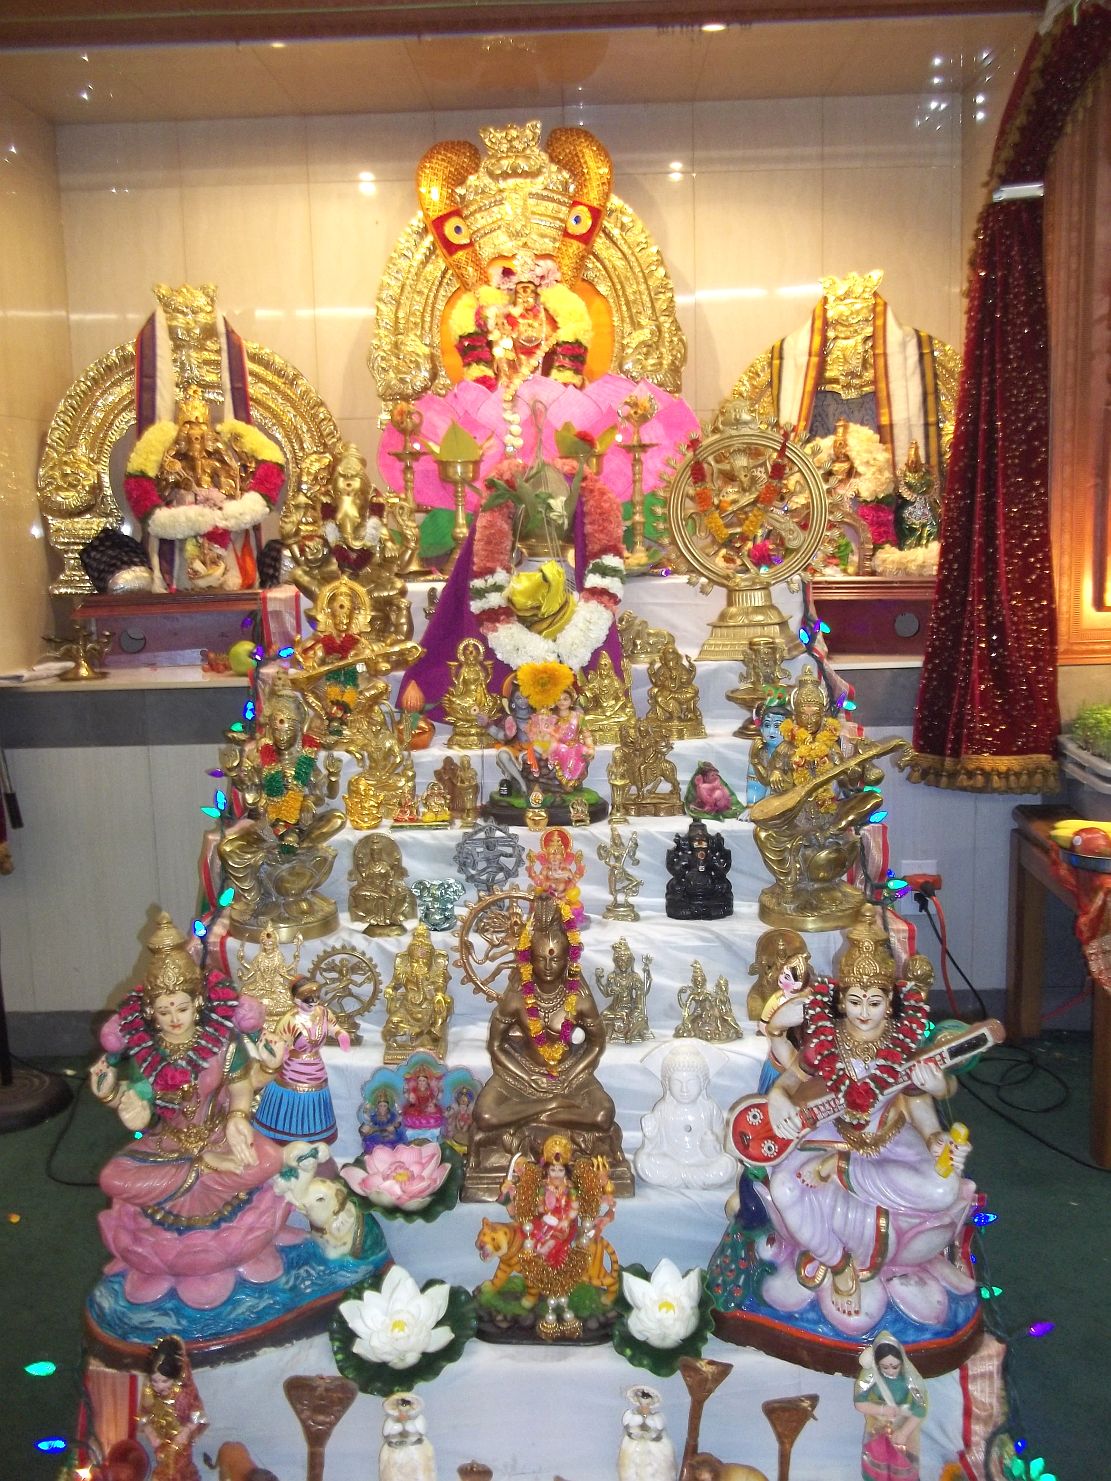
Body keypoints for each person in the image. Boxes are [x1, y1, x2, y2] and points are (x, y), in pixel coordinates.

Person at [757, 910, 974, 1333]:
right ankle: (837, 1263)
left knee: (944, 1188)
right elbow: (789, 1082)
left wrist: (936, 1138)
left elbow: (920, 1108)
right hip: (831, 1132)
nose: (863, 1013)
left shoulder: (904, 1044)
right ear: (841, 1000)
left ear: (890, 1003)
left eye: (875, 1003)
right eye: (855, 1001)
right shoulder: (827, 1039)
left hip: (889, 1143)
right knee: (782, 1186)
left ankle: (840, 1173)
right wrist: (780, 1100)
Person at [90, 914, 294, 1311]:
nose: (174, 1019)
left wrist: (238, 1117)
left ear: (197, 1003)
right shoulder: (148, 1052)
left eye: (181, 1008)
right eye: (164, 1011)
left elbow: (240, 1090)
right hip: (168, 1145)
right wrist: (117, 1099)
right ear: (151, 1012)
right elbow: (141, 1110)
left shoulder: (220, 1042)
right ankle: (203, 1171)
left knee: (270, 1158)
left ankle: (206, 1177)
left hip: (218, 1134)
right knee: (113, 1177)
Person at [465, 893, 631, 1199]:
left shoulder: (578, 997)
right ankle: (550, 1109)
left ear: (568, 958)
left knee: (602, 1115)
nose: (548, 965)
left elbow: (596, 1044)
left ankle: (532, 1120)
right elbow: (496, 1045)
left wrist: (570, 1076)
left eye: (555, 958)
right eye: (540, 958)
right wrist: (530, 1079)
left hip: (569, 1074)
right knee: (485, 1116)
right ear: (529, 957)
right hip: (520, 1074)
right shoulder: (518, 995)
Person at [251, 976, 349, 1145]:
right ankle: (284, 1135)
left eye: (316, 996)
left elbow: (332, 1026)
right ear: (297, 1000)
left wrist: (340, 1034)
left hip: (315, 1066)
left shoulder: (323, 1013)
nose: (314, 1001)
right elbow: (281, 1042)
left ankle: (314, 1135)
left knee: (314, 1101)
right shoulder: (290, 1020)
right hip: (292, 1069)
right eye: (308, 998)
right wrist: (280, 1055)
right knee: (290, 1103)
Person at [634, 1045, 735, 1189]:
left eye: (691, 1082)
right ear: (666, 1085)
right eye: (677, 1082)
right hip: (671, 1161)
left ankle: (685, 1178)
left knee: (728, 1164)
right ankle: (693, 1179)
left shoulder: (710, 1108)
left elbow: (722, 1141)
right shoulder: (662, 1108)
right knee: (642, 1161)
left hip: (702, 1162)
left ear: (704, 1084)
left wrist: (712, 1144)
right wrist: (651, 1136)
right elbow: (655, 1147)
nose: (684, 1089)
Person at [854, 1332, 928, 1481]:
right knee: (877, 1459)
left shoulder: (908, 1380)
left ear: (901, 1362)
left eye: (894, 1366)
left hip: (902, 1427)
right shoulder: (872, 1377)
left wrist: (904, 1432)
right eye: (885, 1367)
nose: (890, 1371)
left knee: (901, 1461)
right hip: (877, 1428)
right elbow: (859, 1403)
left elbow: (920, 1409)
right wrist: (882, 1410)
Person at [138, 1335, 207, 1481]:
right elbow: (143, 1415)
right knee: (164, 1468)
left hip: (181, 1440)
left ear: (175, 1377)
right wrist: (150, 1432)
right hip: (161, 1441)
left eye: (165, 1381)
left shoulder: (185, 1392)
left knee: (180, 1469)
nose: (159, 1386)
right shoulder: (149, 1390)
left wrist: (186, 1431)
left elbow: (199, 1416)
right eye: (155, 1381)